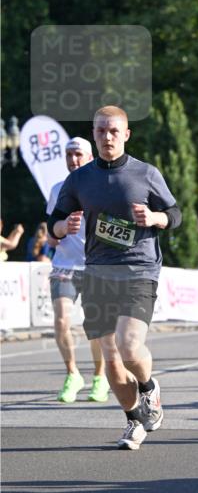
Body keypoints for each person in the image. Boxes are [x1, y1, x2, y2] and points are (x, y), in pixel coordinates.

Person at [47, 105, 181, 450]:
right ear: (94, 134)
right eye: (101, 131)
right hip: (98, 272)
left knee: (129, 346)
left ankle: (149, 388)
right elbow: (55, 223)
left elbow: (175, 214)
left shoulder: (146, 173)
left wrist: (154, 218)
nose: (107, 137)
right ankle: (134, 420)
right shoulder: (79, 179)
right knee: (110, 357)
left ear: (126, 134)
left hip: (139, 269)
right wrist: (65, 226)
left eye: (113, 131)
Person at [46, 137, 110, 403]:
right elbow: (51, 236)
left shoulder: (103, 187)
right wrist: (61, 229)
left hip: (96, 265)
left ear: (90, 157)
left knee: (94, 326)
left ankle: (99, 376)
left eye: (78, 155)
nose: (73, 159)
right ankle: (73, 373)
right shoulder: (57, 189)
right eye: (69, 154)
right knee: (61, 320)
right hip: (64, 265)